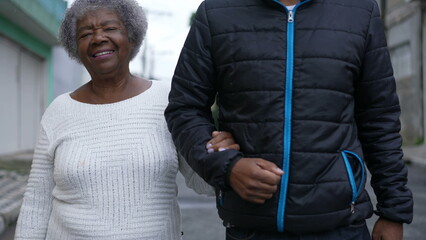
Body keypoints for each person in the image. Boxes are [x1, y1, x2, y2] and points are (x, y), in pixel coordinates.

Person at [165, 0, 414, 239]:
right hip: (251, 227)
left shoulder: (360, 11)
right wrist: (226, 166)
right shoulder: (216, 12)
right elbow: (184, 108)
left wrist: (393, 211)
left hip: (341, 226)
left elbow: (379, 120)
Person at [13, 0, 239, 239]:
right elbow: (37, 203)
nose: (98, 38)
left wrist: (219, 154)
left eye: (110, 28)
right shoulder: (58, 111)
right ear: (74, 47)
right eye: (85, 33)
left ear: (132, 36)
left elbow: (200, 182)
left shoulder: (169, 100)